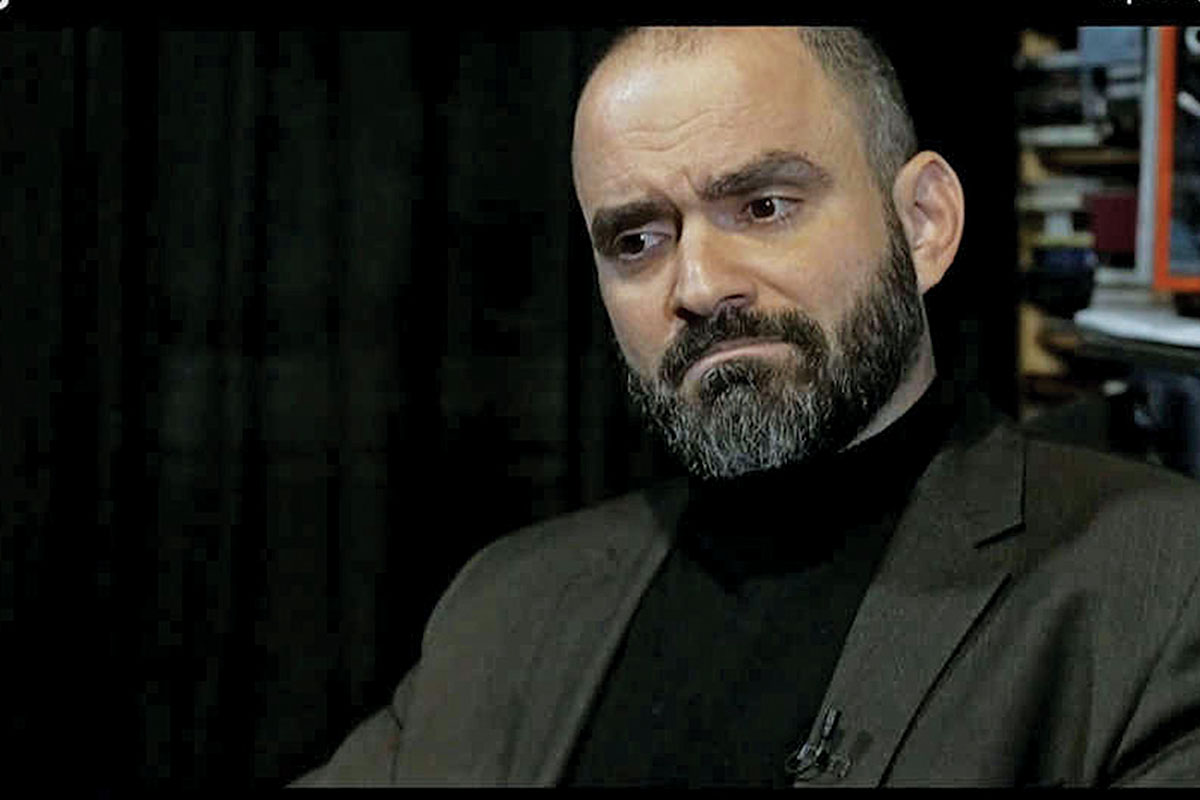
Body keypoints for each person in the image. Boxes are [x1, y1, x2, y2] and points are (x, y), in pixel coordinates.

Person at [293, 27, 1200, 786]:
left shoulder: (1155, 586)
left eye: (764, 207)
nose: (697, 285)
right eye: (637, 241)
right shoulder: (505, 608)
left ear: (924, 223)